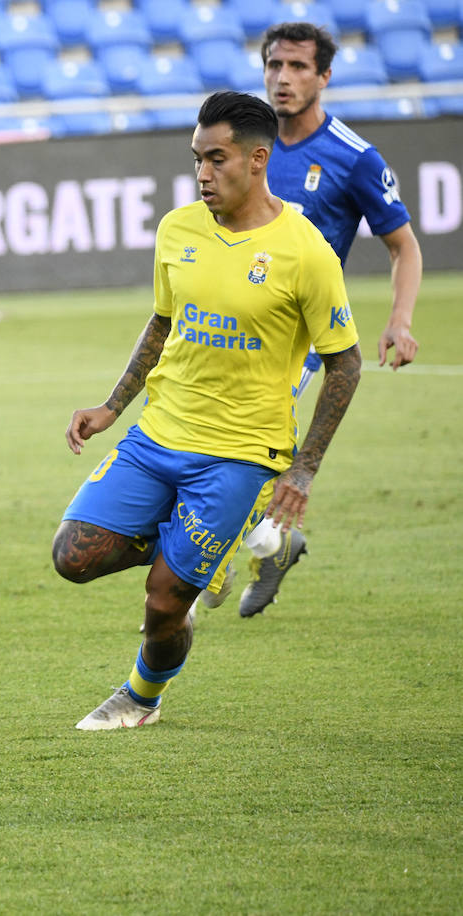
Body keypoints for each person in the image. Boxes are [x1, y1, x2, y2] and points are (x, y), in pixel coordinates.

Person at [52, 91, 362, 729]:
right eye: (196, 158)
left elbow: (345, 363)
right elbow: (163, 323)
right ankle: (238, 541)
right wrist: (113, 406)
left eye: (216, 159)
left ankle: (141, 698)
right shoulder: (178, 228)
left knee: (165, 603)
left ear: (256, 159)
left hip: (241, 453)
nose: (202, 173)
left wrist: (302, 471)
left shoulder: (305, 251)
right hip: (158, 434)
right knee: (73, 557)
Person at [230, 21, 424, 618]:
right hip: (232, 327)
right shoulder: (245, 140)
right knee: (218, 444)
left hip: (302, 337)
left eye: (297, 68)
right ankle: (273, 544)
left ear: (324, 77)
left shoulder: (354, 157)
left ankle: (196, 579)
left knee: (243, 449)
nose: (283, 78)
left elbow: (404, 246)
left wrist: (400, 318)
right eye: (274, 65)